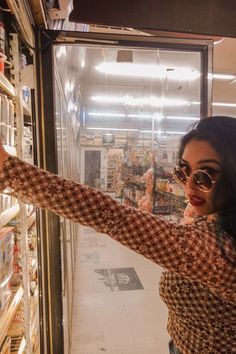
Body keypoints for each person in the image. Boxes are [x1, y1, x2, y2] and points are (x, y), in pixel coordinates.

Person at [0, 116, 235, 354]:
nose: (189, 187)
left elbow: (112, 216)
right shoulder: (215, 221)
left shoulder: (218, 253)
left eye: (206, 175)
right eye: (184, 171)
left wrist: (9, 169)